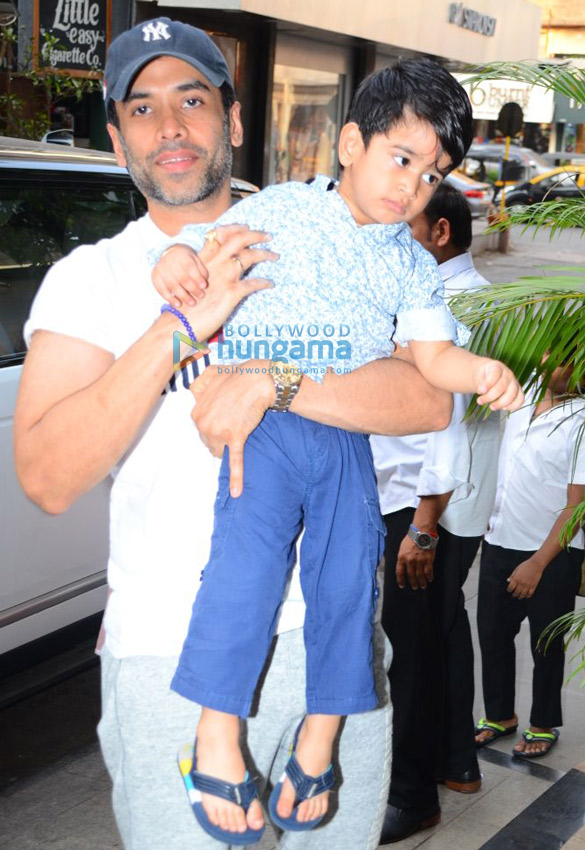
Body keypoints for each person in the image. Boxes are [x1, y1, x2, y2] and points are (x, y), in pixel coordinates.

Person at [13, 17, 458, 850]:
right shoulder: (92, 279)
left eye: (192, 99)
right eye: (142, 109)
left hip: (332, 643)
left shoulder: (327, 233)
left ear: (236, 120)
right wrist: (180, 326)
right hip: (171, 652)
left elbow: (426, 400)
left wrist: (274, 381)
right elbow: (47, 475)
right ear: (116, 141)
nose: (171, 126)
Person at [151, 70, 522, 842]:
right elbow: (194, 249)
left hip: (344, 439)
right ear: (350, 143)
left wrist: (479, 371)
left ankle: (317, 742)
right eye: (400, 158)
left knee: (352, 582)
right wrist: (176, 266)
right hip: (264, 434)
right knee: (244, 574)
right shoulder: (284, 208)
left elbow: (431, 361)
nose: (413, 185)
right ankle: (214, 738)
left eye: (433, 175)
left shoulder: (411, 264)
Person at [371, 184, 501, 844]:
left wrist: (421, 525)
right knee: (440, 634)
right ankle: (455, 764)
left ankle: (411, 793)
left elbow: (444, 420)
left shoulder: (447, 302)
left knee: (411, 654)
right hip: (449, 501)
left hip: (424, 505)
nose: (395, 234)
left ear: (440, 233)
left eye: (408, 225)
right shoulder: (469, 289)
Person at [475, 357, 584, 759]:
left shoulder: (582, 421)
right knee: (493, 634)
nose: (546, 361)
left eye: (561, 358)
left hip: (553, 551)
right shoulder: (521, 399)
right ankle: (500, 715)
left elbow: (577, 507)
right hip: (500, 540)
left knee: (546, 643)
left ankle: (543, 723)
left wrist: (537, 563)